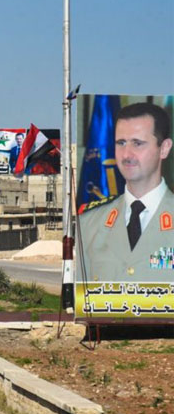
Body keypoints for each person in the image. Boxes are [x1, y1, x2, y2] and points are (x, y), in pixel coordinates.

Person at [78, 102, 174, 282]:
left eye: (138, 143)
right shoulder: (88, 224)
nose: (126, 155)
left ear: (164, 148)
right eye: (121, 143)